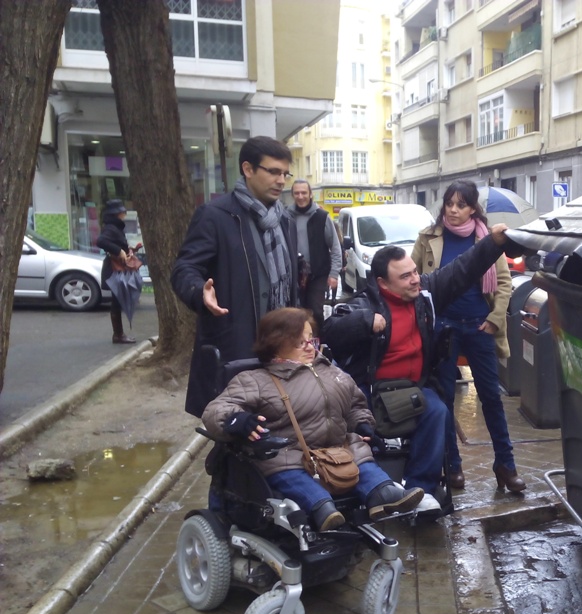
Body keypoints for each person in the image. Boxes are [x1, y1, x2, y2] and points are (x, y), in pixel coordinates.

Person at [321, 223, 514, 514]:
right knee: (359, 426)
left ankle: (418, 490)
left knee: (438, 411)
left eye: (415, 272)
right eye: (406, 276)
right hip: (371, 388)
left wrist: (494, 243)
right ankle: (376, 489)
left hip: (414, 386)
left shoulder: (426, 293)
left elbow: (462, 269)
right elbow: (331, 329)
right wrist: (364, 323)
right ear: (383, 284)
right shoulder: (365, 303)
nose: (415, 280)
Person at [202, 308, 424, 527]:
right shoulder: (255, 380)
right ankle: (322, 509)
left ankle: (382, 495)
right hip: (289, 454)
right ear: (275, 345)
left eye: (311, 339)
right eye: (300, 342)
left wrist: (363, 425)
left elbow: (356, 405)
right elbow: (217, 409)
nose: (310, 347)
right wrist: (237, 420)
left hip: (338, 451)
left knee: (362, 460)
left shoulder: (333, 373)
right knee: (290, 473)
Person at [171, 136, 301, 417]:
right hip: (237, 346)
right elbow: (184, 269)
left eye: (285, 174)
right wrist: (199, 292)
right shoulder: (216, 216)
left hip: (281, 346)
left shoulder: (285, 221)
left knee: (278, 425)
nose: (281, 181)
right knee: (234, 430)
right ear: (248, 169)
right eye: (273, 171)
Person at [412, 180, 525, 494]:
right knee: (444, 399)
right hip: (443, 328)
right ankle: (453, 465)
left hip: (479, 327)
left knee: (491, 397)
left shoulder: (487, 239)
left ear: (473, 208)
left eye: (461, 204)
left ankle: (506, 464)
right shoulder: (428, 237)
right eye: (450, 203)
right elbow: (415, 281)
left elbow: (504, 284)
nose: (454, 210)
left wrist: (492, 320)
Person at [287, 179, 341, 323]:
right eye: (296, 193)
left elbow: (335, 247)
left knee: (315, 312)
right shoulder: (286, 217)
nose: (300, 196)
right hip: (293, 274)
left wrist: (334, 274)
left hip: (318, 274)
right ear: (293, 195)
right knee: (295, 312)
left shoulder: (322, 217)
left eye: (304, 193)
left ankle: (317, 342)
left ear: (311, 194)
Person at [97, 199, 137, 344]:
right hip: (115, 268)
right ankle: (118, 335)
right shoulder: (111, 228)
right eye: (122, 211)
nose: (124, 214)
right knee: (117, 301)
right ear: (117, 213)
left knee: (117, 300)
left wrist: (128, 249)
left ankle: (118, 334)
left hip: (117, 266)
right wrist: (119, 250)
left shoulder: (114, 227)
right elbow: (101, 241)